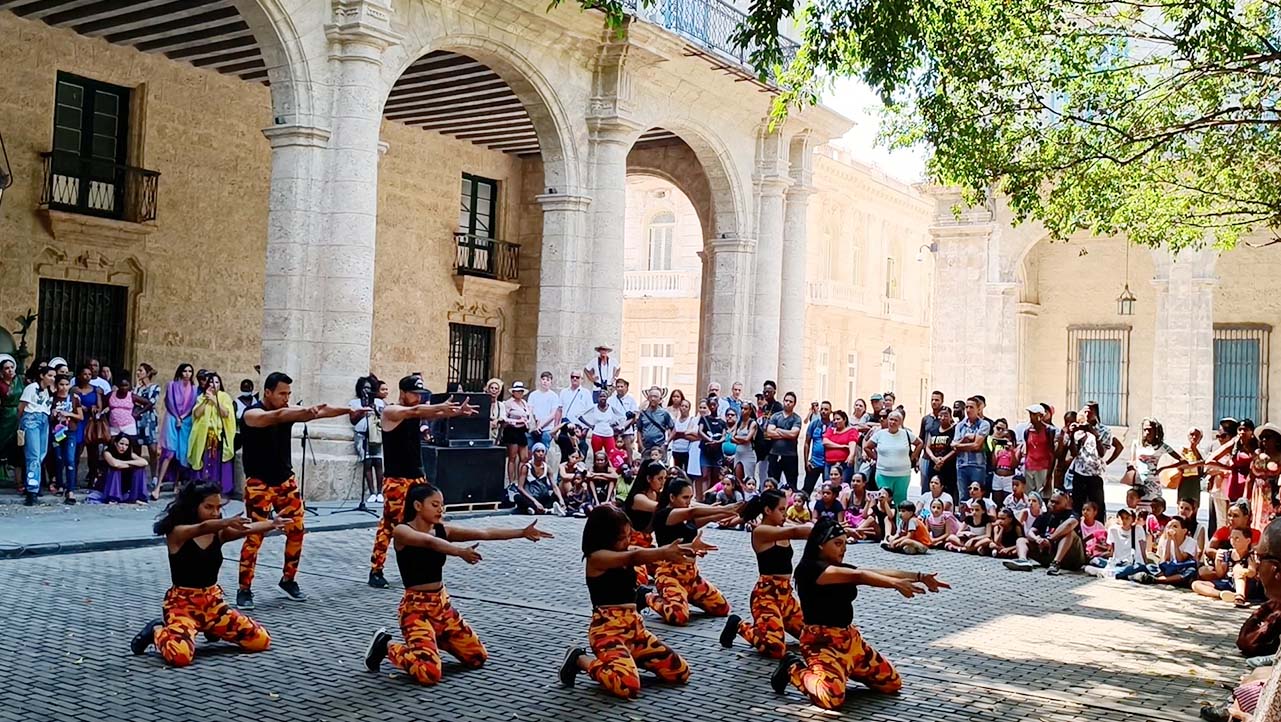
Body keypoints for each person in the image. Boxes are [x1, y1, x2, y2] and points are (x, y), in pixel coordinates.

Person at [363, 483, 553, 685]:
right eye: (434, 504)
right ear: (418, 506)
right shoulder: (402, 531)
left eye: (442, 505)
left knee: (477, 657)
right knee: (428, 674)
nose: (440, 509)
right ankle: (386, 645)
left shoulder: (443, 530)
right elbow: (430, 543)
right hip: (416, 611)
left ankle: (435, 642)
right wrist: (459, 552)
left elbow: (485, 533)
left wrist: (521, 532)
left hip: (442, 608)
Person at [770, 517, 949, 710]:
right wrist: (895, 585)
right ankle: (792, 669)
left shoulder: (840, 569)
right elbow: (860, 576)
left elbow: (873, 572)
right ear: (820, 545)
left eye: (845, 544)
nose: (843, 549)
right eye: (838, 543)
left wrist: (919, 576)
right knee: (832, 698)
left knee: (892, 683)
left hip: (851, 642)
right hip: (822, 644)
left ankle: (844, 671)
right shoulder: (810, 569)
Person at [236, 372, 360, 610]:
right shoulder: (252, 414)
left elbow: (321, 411)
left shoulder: (287, 411)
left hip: (285, 482)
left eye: (289, 394)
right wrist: (304, 412)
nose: (286, 398)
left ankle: (288, 580)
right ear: (268, 392)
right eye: (282, 393)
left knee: (297, 531)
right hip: (259, 484)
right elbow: (280, 415)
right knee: (254, 536)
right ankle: (244, 589)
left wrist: (349, 410)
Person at [129, 482, 281, 666]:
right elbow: (201, 528)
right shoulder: (178, 532)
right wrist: (225, 522)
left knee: (260, 640)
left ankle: (214, 628)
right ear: (193, 506)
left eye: (218, 507)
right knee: (180, 656)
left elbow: (246, 530)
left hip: (213, 604)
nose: (215, 512)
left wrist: (272, 524)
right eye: (209, 507)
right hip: (182, 605)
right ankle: (156, 630)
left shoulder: (219, 532)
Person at [558, 505, 700, 698]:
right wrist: (664, 553)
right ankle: (579, 659)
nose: (627, 541)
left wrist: (688, 549)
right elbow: (634, 556)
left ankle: (630, 659)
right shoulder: (597, 558)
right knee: (627, 686)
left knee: (680, 672)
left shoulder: (626, 549)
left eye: (628, 535)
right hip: (608, 632)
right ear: (605, 537)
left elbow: (648, 551)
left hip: (635, 631)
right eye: (621, 538)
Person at [368, 376, 476, 589]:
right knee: (393, 524)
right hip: (397, 480)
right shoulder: (392, 412)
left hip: (417, 477)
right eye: (415, 394)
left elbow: (432, 412)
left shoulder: (415, 410)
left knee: (425, 521)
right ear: (403, 393)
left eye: (420, 394)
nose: (418, 398)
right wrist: (441, 406)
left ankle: (420, 561)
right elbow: (415, 412)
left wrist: (455, 411)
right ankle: (376, 570)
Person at [721, 489, 810, 658]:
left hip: (786, 597)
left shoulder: (781, 527)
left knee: (812, 638)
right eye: (781, 510)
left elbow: (799, 529)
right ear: (768, 511)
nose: (785, 514)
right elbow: (797, 531)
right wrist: (823, 529)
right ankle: (739, 625)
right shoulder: (761, 531)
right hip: (766, 597)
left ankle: (774, 625)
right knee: (775, 648)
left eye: (786, 509)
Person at [640, 476, 737, 626]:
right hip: (670, 575)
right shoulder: (665, 514)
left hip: (692, 576)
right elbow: (693, 512)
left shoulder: (687, 517)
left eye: (690, 498)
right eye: (685, 497)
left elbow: (709, 517)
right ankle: (645, 596)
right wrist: (723, 508)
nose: (688, 502)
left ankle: (686, 597)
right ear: (672, 497)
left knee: (722, 608)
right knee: (679, 617)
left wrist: (736, 512)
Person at [1004, 491, 1086, 575]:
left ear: (1066, 504)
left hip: (1071, 558)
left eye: (1057, 503)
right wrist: (1037, 539)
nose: (1053, 504)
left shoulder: (1072, 514)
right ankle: (1023, 560)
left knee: (1069, 533)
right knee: (1021, 540)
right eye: (1052, 501)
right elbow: (1030, 532)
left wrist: (1050, 539)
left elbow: (1070, 524)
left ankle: (1056, 563)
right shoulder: (1044, 515)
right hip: (1046, 552)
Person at [1068, 401, 1123, 516]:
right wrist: (1072, 436)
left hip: (1095, 475)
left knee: (1097, 505)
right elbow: (1074, 453)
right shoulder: (1079, 429)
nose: (1087, 415)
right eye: (1085, 412)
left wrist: (1094, 434)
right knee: (1078, 505)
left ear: (1095, 413)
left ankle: (1098, 530)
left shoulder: (1104, 431)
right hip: (1079, 473)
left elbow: (1101, 453)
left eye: (1090, 412)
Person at [188, 372, 235, 496]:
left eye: (216, 382)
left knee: (217, 461)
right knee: (203, 460)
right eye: (211, 382)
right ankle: (202, 486)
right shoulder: (201, 397)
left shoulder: (224, 397)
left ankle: (218, 487)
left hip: (218, 436)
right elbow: (197, 414)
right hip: (204, 436)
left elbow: (226, 413)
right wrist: (206, 400)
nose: (213, 385)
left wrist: (214, 400)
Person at [865, 410, 922, 507]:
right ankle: (885, 521)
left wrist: (913, 456)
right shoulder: (880, 434)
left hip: (902, 475)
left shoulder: (906, 434)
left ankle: (899, 521)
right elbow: (867, 447)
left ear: (900, 422)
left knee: (900, 501)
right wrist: (876, 457)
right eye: (891, 419)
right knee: (883, 500)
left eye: (896, 420)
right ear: (887, 420)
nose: (893, 422)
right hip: (883, 474)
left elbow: (920, 443)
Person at [16, 364, 54, 505]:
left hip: (44, 419)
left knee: (40, 454)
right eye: (50, 375)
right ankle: (32, 490)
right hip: (32, 418)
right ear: (42, 376)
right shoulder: (31, 388)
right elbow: (21, 407)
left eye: (53, 376)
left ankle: (33, 483)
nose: (52, 378)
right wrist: (21, 423)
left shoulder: (47, 391)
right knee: (33, 454)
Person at [1121, 416, 1178, 510]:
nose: (1147, 432)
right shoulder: (1136, 444)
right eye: (1145, 430)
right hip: (1139, 484)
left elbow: (1182, 461)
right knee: (1139, 513)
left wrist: (1163, 469)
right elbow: (1133, 460)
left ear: (1156, 431)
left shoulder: (1162, 446)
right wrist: (1130, 467)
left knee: (1152, 510)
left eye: (1150, 430)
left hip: (1153, 484)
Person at [1192, 527, 1259, 606]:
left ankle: (1240, 596)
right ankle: (1222, 594)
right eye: (1231, 538)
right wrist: (1217, 561)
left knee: (1237, 569)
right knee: (1196, 584)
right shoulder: (1228, 553)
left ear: (1247, 541)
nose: (1233, 541)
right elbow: (1220, 574)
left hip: (1245, 585)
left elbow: (1252, 572)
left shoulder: (1250, 556)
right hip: (1228, 583)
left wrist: (1242, 571)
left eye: (1237, 538)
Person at [157, 364, 196, 488]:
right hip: (172, 419)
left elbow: (192, 405)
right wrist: (177, 417)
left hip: (186, 421)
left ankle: (176, 484)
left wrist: (183, 417)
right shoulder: (172, 385)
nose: (187, 374)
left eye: (190, 371)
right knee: (169, 451)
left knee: (182, 452)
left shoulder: (194, 388)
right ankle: (159, 484)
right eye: (185, 371)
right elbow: (169, 402)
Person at [1131, 516, 1200, 586]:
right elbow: (1166, 560)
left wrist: (1174, 541)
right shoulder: (1166, 540)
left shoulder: (1191, 542)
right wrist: (1169, 541)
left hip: (1182, 568)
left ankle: (1159, 580)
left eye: (1175, 526)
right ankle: (1166, 578)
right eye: (1169, 526)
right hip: (1171, 568)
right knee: (1151, 566)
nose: (1171, 529)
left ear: (1184, 530)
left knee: (1191, 571)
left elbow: (1180, 559)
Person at [350, 375, 386, 504]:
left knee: (378, 461)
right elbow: (353, 420)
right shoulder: (354, 403)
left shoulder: (379, 402)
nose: (366, 390)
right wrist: (361, 412)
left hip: (375, 435)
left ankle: (380, 492)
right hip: (362, 434)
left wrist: (375, 408)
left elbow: (383, 418)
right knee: (367, 463)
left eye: (369, 388)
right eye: (364, 388)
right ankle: (371, 492)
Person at [48, 373, 83, 503]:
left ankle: (71, 489)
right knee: (58, 458)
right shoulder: (52, 399)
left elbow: (80, 417)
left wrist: (67, 413)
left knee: (69, 459)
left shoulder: (74, 398)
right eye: (61, 384)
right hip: (56, 432)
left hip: (70, 432)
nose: (64, 387)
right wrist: (53, 415)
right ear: (56, 385)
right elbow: (48, 416)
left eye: (66, 384)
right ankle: (59, 484)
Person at [953, 397, 992, 495]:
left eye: (971, 407)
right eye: (967, 407)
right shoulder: (960, 425)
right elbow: (953, 446)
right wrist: (965, 439)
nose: (968, 410)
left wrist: (959, 445)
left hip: (977, 465)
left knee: (977, 495)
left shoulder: (984, 424)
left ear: (978, 409)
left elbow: (976, 446)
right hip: (961, 465)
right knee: (963, 497)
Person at [1019, 403, 1058, 498]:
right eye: (1030, 414)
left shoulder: (1049, 430)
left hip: (1043, 467)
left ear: (1040, 416)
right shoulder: (1027, 431)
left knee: (1043, 495)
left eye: (1034, 414)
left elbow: (1052, 453)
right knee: (1029, 495)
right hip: (1029, 466)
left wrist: (1049, 476)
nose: (1031, 417)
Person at [765, 391, 803, 489]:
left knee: (792, 484)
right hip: (775, 454)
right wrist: (787, 434)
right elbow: (769, 433)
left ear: (794, 404)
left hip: (790, 455)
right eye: (786, 400)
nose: (788, 403)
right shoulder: (775, 416)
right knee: (772, 483)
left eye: (790, 401)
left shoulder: (796, 418)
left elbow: (793, 434)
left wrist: (778, 430)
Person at [133, 364, 162, 494]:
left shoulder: (155, 387)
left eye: (141, 370)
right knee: (136, 448)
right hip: (137, 420)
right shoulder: (137, 388)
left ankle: (154, 476)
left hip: (149, 420)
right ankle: (138, 476)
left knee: (152, 449)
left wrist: (140, 409)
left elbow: (151, 402)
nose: (138, 372)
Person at [101, 432, 150, 504]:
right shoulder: (108, 452)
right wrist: (132, 464)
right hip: (108, 483)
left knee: (140, 469)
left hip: (125, 483)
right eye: (121, 444)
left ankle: (138, 497)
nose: (123, 447)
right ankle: (113, 498)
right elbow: (115, 464)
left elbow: (144, 462)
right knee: (116, 470)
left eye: (126, 445)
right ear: (115, 443)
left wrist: (125, 463)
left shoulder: (130, 454)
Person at [925, 405, 959, 503]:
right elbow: (927, 446)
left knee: (948, 492)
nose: (942, 418)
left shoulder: (954, 431)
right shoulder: (933, 430)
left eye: (945, 415)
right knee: (934, 489)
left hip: (948, 466)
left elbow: (956, 448)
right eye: (940, 415)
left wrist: (943, 459)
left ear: (950, 417)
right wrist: (933, 458)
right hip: (934, 465)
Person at [501, 381, 532, 486]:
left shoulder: (524, 403)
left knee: (524, 457)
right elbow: (505, 419)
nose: (519, 393)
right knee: (512, 457)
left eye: (521, 391)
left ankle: (521, 480)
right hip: (512, 431)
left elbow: (528, 416)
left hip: (522, 431)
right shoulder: (508, 403)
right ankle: (511, 481)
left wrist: (526, 422)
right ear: (513, 392)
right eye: (517, 391)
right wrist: (517, 421)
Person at [559, 371, 593, 459]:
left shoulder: (586, 393)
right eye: (572, 376)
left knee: (580, 454)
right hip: (566, 425)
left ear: (581, 379)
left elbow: (590, 412)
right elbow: (559, 409)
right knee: (565, 454)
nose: (574, 379)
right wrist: (557, 426)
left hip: (579, 428)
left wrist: (586, 429)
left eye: (577, 377)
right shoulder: (564, 392)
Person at [515, 443, 557, 514]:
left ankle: (536, 509)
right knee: (517, 497)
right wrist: (535, 501)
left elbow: (554, 486)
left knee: (555, 496)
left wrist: (561, 500)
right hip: (530, 497)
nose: (541, 454)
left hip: (542, 496)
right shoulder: (526, 467)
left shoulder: (547, 468)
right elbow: (520, 487)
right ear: (533, 453)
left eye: (542, 451)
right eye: (538, 451)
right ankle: (543, 509)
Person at [635, 386, 674, 459]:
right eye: (651, 396)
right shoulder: (643, 413)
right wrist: (640, 445)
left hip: (659, 446)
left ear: (660, 399)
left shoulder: (664, 413)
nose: (653, 399)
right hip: (646, 447)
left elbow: (673, 429)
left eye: (655, 397)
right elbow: (639, 430)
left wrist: (666, 443)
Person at [987, 418, 1019, 507]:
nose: (1005, 439)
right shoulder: (999, 450)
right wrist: (993, 449)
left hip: (1008, 478)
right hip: (997, 477)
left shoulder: (1015, 450)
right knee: (996, 502)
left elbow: (1014, 465)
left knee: (1008, 501)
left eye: (1007, 437)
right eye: (1003, 437)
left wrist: (1011, 451)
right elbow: (994, 465)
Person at [821, 410, 859, 484]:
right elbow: (825, 442)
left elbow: (852, 444)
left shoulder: (851, 431)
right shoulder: (830, 430)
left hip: (844, 464)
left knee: (843, 485)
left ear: (844, 419)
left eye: (838, 419)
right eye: (834, 419)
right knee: (828, 485)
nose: (835, 421)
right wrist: (841, 446)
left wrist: (851, 456)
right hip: (829, 463)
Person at [579, 390, 621, 456]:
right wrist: (590, 426)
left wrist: (616, 424)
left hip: (608, 434)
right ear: (598, 398)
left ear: (607, 397)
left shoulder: (611, 408)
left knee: (611, 455)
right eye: (600, 396)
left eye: (604, 396)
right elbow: (580, 416)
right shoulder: (593, 407)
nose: (602, 398)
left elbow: (622, 416)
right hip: (597, 434)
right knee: (597, 456)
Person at [802, 401, 832, 493]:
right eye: (822, 409)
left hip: (828, 464)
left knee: (828, 490)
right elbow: (807, 443)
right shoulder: (814, 424)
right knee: (806, 489)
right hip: (814, 463)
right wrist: (806, 461)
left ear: (831, 411)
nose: (823, 411)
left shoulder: (833, 425)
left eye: (826, 409)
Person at [527, 371, 562, 450]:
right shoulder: (533, 395)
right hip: (533, 428)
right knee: (530, 451)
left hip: (547, 429)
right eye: (543, 379)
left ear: (551, 382)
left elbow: (553, 414)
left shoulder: (554, 396)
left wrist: (541, 426)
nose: (545, 381)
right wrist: (535, 425)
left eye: (547, 380)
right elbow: (530, 410)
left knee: (542, 452)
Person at [731, 404, 759, 483]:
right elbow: (732, 437)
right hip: (738, 453)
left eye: (745, 409)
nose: (743, 410)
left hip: (748, 453)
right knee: (738, 479)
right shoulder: (739, 422)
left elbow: (748, 438)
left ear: (750, 411)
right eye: (742, 408)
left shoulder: (752, 423)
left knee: (749, 479)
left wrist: (738, 438)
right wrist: (741, 440)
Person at [485, 377, 504, 443]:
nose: (494, 390)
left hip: (496, 433)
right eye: (492, 388)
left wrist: (497, 420)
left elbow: (503, 417)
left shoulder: (501, 405)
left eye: (496, 388)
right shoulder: (484, 403)